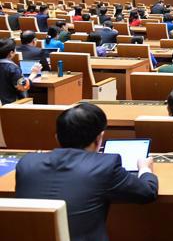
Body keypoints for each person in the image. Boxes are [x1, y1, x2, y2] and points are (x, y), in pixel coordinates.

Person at [15, 103, 158, 241]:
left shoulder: (26, 163)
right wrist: (145, 168)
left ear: (57, 137)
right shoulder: (106, 165)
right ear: (99, 138)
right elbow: (147, 192)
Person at [0, 38, 39, 104]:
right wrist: (33, 74)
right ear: (11, 53)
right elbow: (23, 86)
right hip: (10, 106)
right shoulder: (13, 69)